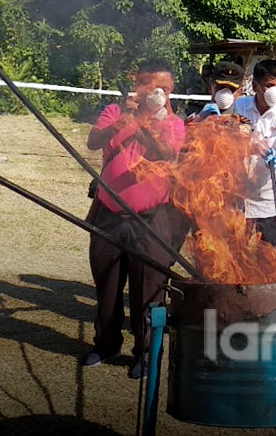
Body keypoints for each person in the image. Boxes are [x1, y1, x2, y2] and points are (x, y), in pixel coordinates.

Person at [84, 59, 187, 379]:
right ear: (140, 85)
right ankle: (105, 343)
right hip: (108, 214)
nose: (160, 95)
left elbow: (163, 153)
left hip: (152, 219)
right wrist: (128, 118)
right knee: (108, 285)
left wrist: (144, 125)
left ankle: (145, 352)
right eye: (154, 87)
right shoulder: (116, 112)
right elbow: (94, 141)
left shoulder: (173, 123)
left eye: (166, 90)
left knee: (150, 289)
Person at [233, 59, 276, 247]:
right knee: (234, 255)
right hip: (239, 197)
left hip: (271, 198)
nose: (275, 92)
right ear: (255, 85)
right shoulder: (239, 107)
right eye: (269, 86)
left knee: (270, 258)